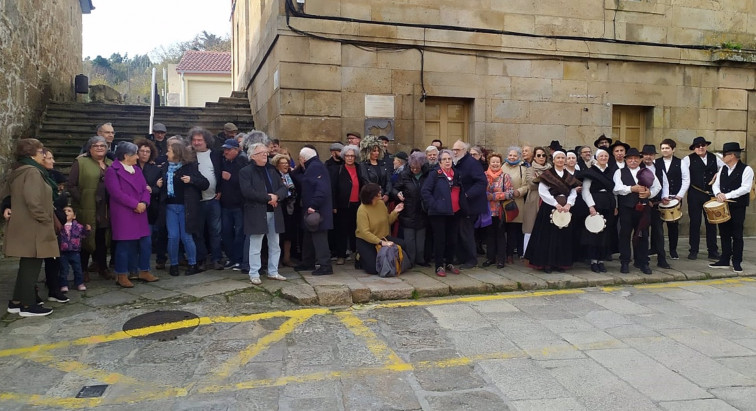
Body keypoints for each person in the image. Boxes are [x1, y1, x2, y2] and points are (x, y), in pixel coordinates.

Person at [2, 139, 58, 316]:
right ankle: (27, 305)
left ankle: (17, 301)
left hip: (26, 225)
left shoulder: (20, 170)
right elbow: (33, 200)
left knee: (27, 264)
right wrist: (45, 219)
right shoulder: (33, 172)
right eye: (41, 151)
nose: (44, 154)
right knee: (32, 265)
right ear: (33, 154)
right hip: (34, 226)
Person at [104, 142, 158, 287]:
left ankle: (143, 270)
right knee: (125, 245)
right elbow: (116, 193)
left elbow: (145, 189)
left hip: (140, 212)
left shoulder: (136, 169)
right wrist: (135, 204)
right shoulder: (112, 171)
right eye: (135, 154)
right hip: (124, 213)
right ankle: (121, 274)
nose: (138, 156)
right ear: (126, 156)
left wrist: (144, 203)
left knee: (145, 242)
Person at [157, 141, 209, 276]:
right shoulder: (165, 167)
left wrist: (191, 180)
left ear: (177, 153)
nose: (167, 153)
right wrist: (158, 184)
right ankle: (173, 264)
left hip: (186, 207)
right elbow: (159, 185)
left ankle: (193, 264)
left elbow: (205, 184)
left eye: (169, 151)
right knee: (173, 236)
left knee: (187, 236)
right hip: (169, 206)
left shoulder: (190, 167)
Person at [524, 150, 581, 273]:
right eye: (558, 158)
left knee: (563, 236)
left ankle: (560, 263)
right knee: (547, 237)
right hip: (549, 207)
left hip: (565, 208)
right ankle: (547, 263)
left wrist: (569, 204)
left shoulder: (569, 176)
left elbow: (572, 192)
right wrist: (555, 204)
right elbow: (543, 192)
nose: (560, 160)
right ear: (553, 160)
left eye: (562, 158)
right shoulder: (547, 175)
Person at [239, 143, 288, 284]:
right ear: (253, 156)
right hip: (257, 211)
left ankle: (273, 271)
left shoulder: (271, 170)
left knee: (275, 243)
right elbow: (247, 192)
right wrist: (269, 198)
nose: (265, 155)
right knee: (255, 245)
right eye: (261, 153)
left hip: (274, 211)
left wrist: (277, 196)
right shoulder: (245, 171)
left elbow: (283, 188)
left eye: (266, 153)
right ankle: (254, 273)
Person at [68, 136, 113, 281]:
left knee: (102, 238)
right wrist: (81, 199)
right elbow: (71, 184)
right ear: (90, 148)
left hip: (104, 208)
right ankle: (82, 270)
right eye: (96, 145)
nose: (100, 148)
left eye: (102, 145)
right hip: (85, 207)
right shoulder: (80, 162)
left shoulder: (111, 164)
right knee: (85, 238)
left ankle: (102, 267)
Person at [613, 148, 661, 274]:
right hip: (626, 208)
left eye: (635, 159)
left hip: (643, 209)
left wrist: (649, 194)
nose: (633, 161)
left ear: (640, 160)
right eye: (630, 159)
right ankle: (625, 262)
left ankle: (643, 262)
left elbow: (658, 186)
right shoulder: (619, 172)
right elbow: (616, 189)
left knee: (643, 235)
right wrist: (631, 189)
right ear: (626, 160)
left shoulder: (647, 172)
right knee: (625, 234)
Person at [709, 142, 753, 274]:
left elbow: (745, 188)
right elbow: (716, 184)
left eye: (724, 154)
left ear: (733, 155)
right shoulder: (723, 169)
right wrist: (717, 193)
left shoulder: (746, 169)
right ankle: (724, 259)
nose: (722, 157)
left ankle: (737, 261)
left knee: (737, 234)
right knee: (724, 232)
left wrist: (726, 195)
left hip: (738, 206)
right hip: (724, 205)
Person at [421, 149, 462, 277]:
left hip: (454, 212)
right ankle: (439, 266)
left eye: (449, 159)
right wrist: (434, 204)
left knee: (452, 239)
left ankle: (449, 262)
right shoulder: (434, 174)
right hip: (438, 213)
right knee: (440, 240)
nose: (447, 161)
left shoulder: (456, 173)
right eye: (444, 159)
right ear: (439, 162)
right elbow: (425, 191)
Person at [683, 136, 724, 260]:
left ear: (706, 146)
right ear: (694, 148)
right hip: (695, 193)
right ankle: (693, 250)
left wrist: (718, 174)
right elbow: (684, 175)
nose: (700, 147)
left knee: (711, 223)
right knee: (695, 222)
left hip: (710, 195)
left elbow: (725, 168)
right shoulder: (687, 159)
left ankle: (713, 251)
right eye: (698, 146)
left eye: (703, 145)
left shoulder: (715, 158)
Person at [189, 126, 225, 270]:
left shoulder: (216, 155)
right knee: (198, 232)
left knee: (215, 231)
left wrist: (220, 190)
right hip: (196, 201)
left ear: (207, 141)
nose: (197, 143)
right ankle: (201, 259)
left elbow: (221, 173)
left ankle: (216, 258)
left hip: (213, 199)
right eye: (194, 140)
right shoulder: (189, 156)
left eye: (200, 140)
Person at [296, 147, 334, 275]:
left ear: (303, 158)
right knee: (309, 235)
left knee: (319, 237)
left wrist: (313, 204)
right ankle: (308, 262)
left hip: (317, 210)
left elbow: (321, 188)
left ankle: (325, 265)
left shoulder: (315, 167)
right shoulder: (315, 165)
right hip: (314, 209)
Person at [451, 139, 489, 268]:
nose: (454, 152)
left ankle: (471, 260)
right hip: (460, 204)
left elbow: (481, 182)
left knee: (466, 232)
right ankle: (461, 257)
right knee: (459, 231)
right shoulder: (458, 162)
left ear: (464, 150)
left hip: (470, 204)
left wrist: (467, 194)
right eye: (454, 149)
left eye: (457, 150)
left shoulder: (472, 163)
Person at [355, 183, 408, 274]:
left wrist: (395, 211)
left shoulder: (381, 204)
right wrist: (381, 242)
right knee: (373, 269)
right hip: (366, 240)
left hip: (383, 237)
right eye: (378, 194)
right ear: (372, 196)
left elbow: (387, 221)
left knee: (403, 244)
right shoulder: (362, 210)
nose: (381, 194)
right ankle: (359, 257)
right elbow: (364, 232)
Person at [581, 149, 616, 273]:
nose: (603, 158)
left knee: (605, 232)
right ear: (596, 157)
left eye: (606, 156)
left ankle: (601, 260)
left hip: (609, 204)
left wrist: (615, 205)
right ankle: (593, 261)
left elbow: (614, 190)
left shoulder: (612, 171)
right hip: (595, 204)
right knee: (594, 232)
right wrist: (591, 206)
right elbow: (585, 190)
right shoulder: (591, 172)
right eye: (601, 156)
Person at [393, 151, 430, 267]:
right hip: (408, 211)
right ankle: (410, 261)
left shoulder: (427, 175)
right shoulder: (404, 175)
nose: (414, 170)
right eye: (412, 167)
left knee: (420, 240)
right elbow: (394, 189)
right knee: (409, 241)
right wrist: (397, 194)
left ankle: (420, 259)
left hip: (422, 212)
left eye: (417, 168)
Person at [655, 138, 689, 260]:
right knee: (657, 224)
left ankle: (673, 250)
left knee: (673, 225)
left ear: (673, 149)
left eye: (667, 148)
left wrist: (679, 196)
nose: (664, 150)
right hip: (660, 198)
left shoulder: (681, 163)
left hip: (675, 197)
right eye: (663, 148)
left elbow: (686, 180)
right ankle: (655, 248)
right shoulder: (656, 162)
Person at [219, 139, 249, 270]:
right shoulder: (224, 161)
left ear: (237, 150)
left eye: (229, 149)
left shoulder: (242, 161)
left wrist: (230, 178)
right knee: (226, 233)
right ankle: (232, 258)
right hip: (226, 204)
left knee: (239, 233)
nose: (226, 152)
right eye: (225, 149)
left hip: (238, 205)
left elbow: (245, 182)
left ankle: (238, 259)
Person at [641, 144, 672, 269]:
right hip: (643, 203)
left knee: (659, 232)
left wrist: (664, 196)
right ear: (642, 156)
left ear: (654, 156)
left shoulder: (659, 168)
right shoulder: (638, 167)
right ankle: (642, 258)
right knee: (643, 232)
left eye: (651, 154)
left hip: (656, 204)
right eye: (646, 154)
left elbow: (665, 184)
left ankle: (661, 259)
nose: (648, 157)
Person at [331, 144, 362, 265]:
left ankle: (356, 253)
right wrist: (334, 205)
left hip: (358, 204)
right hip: (343, 205)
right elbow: (333, 189)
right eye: (348, 156)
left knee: (357, 229)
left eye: (352, 156)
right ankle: (341, 255)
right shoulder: (338, 170)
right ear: (344, 157)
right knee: (341, 231)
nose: (350, 158)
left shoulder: (360, 168)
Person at [483, 152, 514, 268]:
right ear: (489, 163)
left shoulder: (505, 176)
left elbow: (510, 193)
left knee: (500, 235)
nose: (495, 164)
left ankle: (501, 259)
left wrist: (494, 196)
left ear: (501, 163)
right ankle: (490, 258)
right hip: (487, 211)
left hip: (500, 211)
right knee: (489, 235)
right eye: (493, 162)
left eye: (497, 162)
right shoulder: (484, 175)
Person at [522, 146, 551, 255]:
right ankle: (527, 254)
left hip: (548, 199)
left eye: (543, 155)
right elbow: (531, 184)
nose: (541, 157)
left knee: (546, 227)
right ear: (534, 157)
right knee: (530, 227)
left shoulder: (551, 169)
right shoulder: (530, 169)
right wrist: (547, 181)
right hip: (534, 199)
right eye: (538, 155)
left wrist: (540, 180)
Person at [501, 146, 528, 262]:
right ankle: (501, 253)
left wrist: (519, 192)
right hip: (502, 202)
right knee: (501, 228)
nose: (512, 157)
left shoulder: (523, 169)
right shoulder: (502, 167)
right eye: (510, 155)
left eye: (515, 155)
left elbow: (526, 186)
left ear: (519, 157)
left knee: (513, 230)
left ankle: (510, 254)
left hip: (516, 202)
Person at [273, 153, 299, 266]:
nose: (285, 165)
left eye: (287, 163)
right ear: (277, 165)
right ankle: (276, 259)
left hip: (290, 208)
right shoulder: (275, 177)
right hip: (279, 207)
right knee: (278, 235)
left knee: (289, 234)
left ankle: (287, 258)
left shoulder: (291, 175)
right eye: (282, 163)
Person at [58, 206, 90, 292]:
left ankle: (79, 283)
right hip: (63, 251)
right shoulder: (59, 225)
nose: (66, 212)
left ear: (74, 216)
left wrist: (87, 230)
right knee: (64, 269)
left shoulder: (78, 226)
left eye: (69, 211)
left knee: (78, 268)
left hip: (75, 251)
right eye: (64, 211)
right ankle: (63, 284)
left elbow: (83, 235)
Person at [358, 135, 391, 203]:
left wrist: (387, 194)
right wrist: (379, 194)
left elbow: (388, 181)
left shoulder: (383, 164)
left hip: (384, 198)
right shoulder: (363, 165)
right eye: (374, 151)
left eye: (378, 151)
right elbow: (366, 182)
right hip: (370, 198)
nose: (377, 153)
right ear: (368, 152)